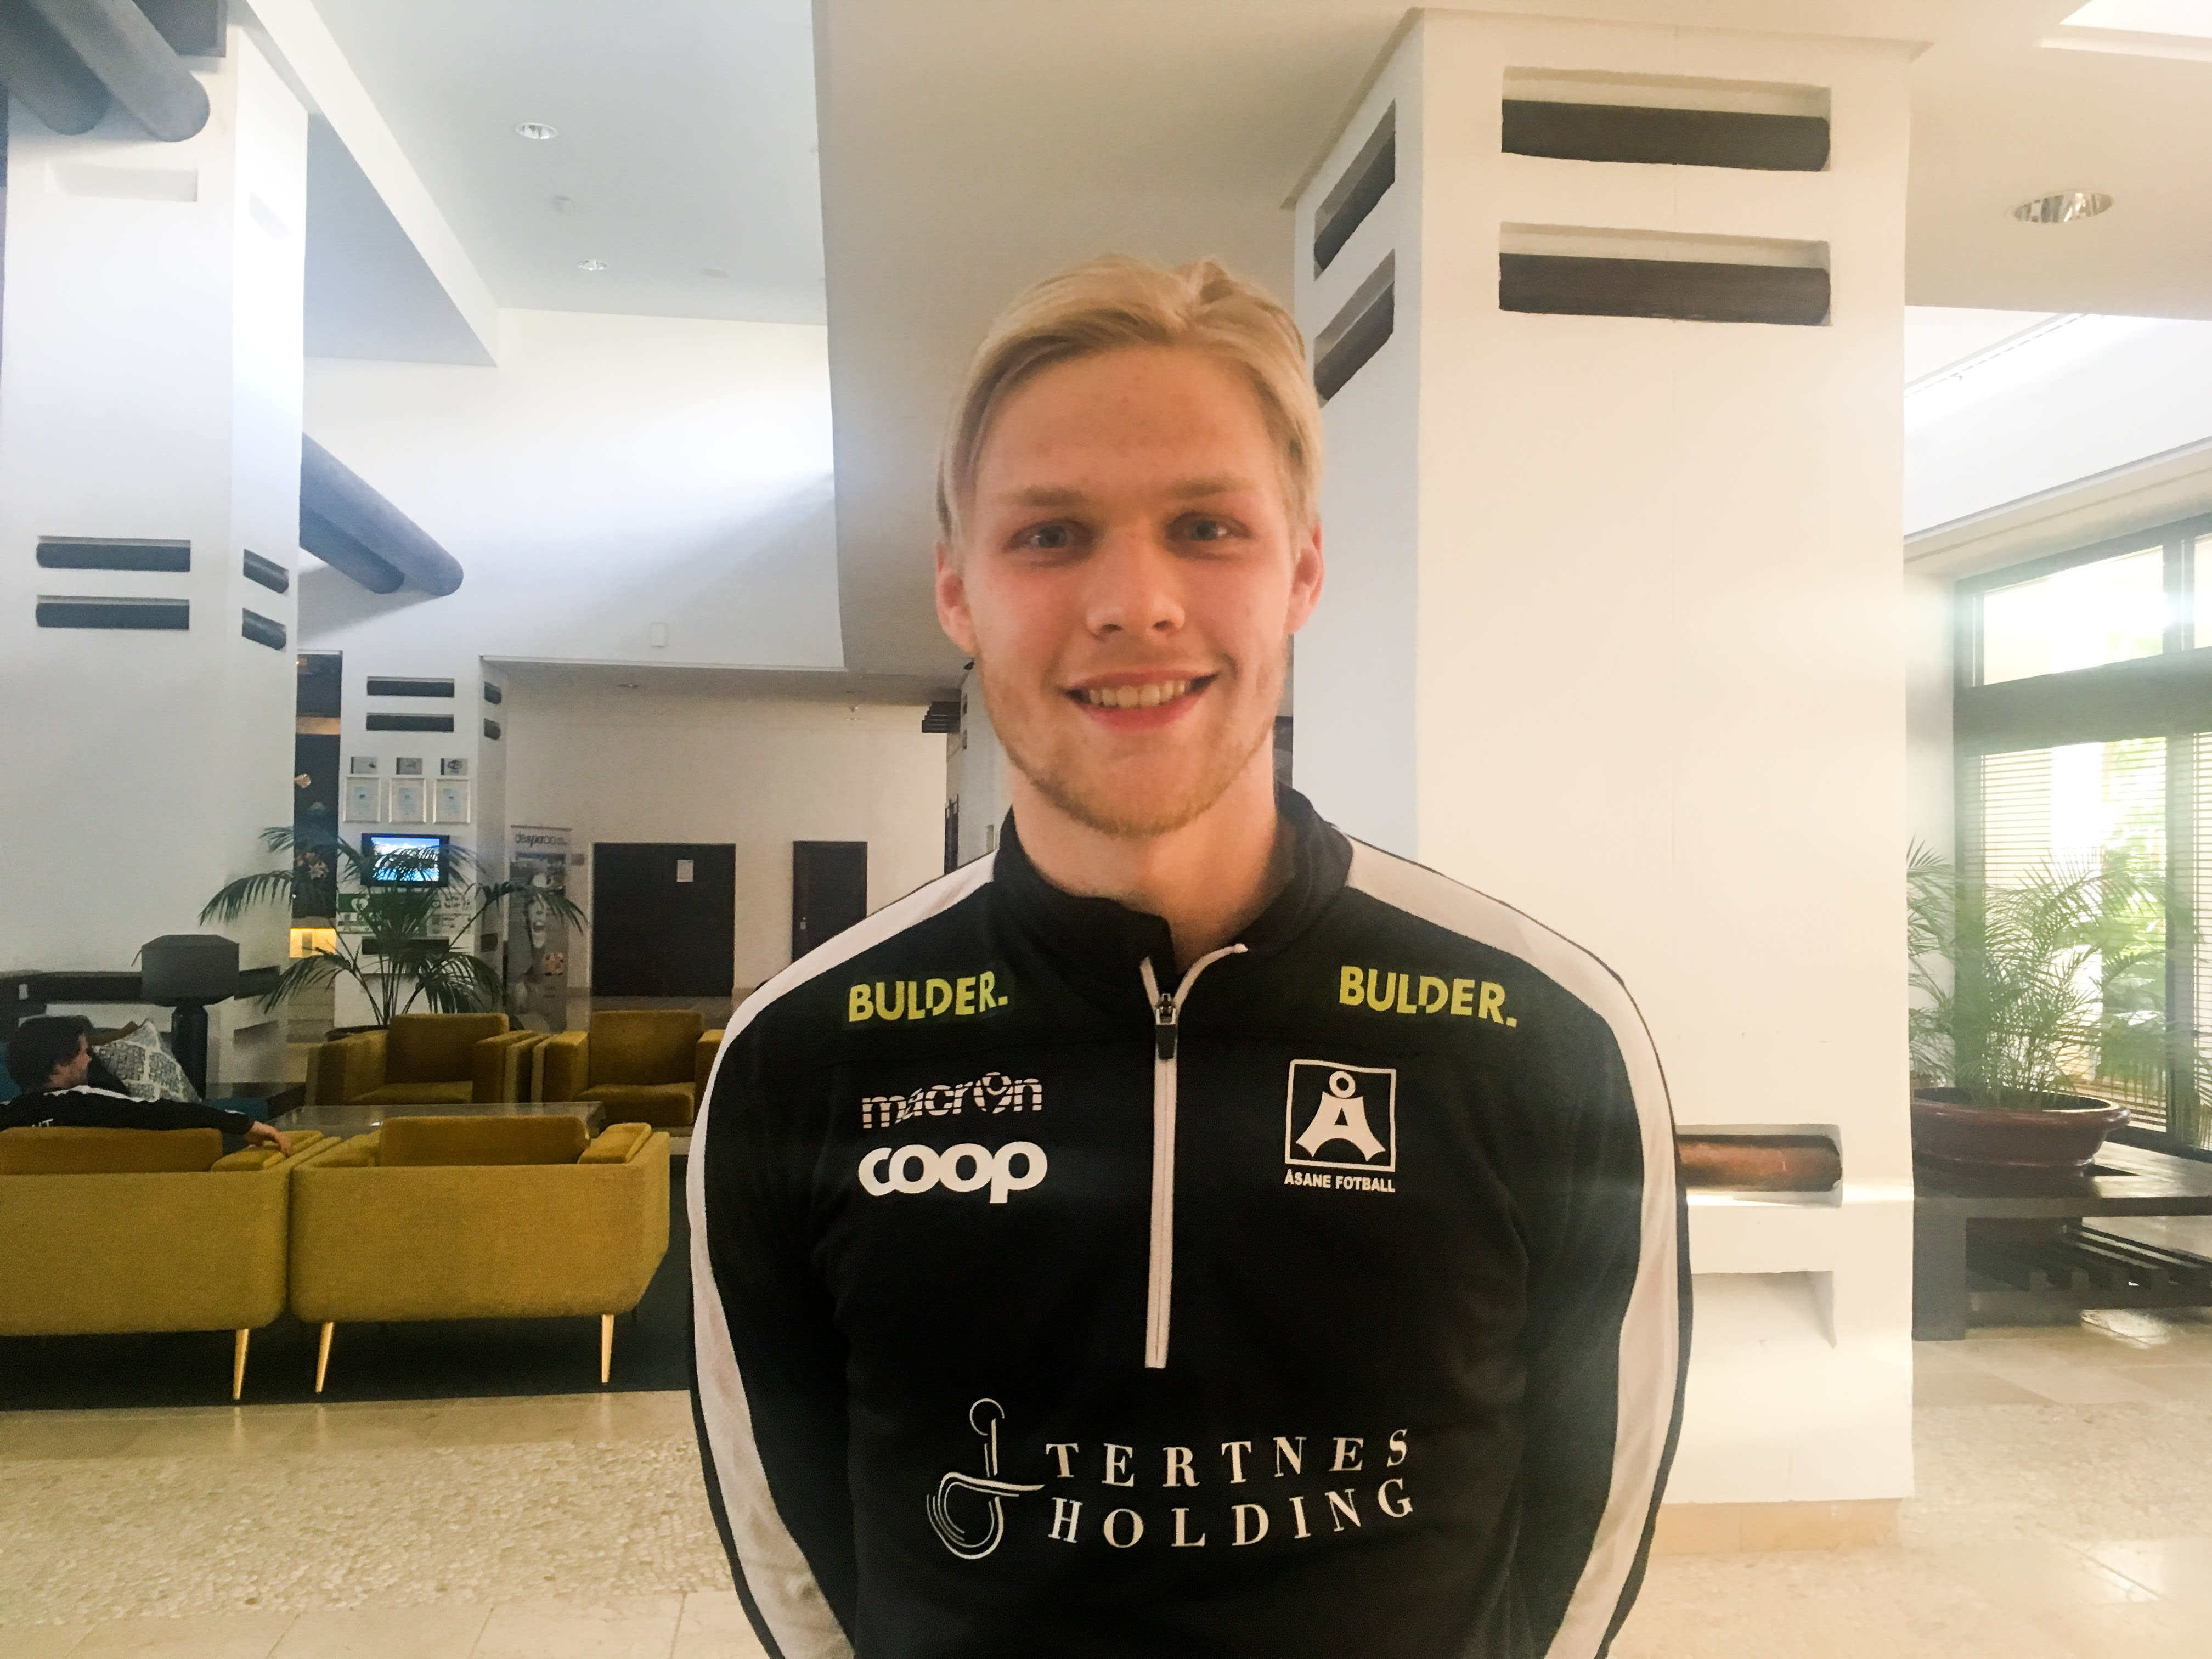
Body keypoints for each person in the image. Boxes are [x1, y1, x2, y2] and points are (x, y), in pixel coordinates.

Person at [690, 256, 1686, 1659]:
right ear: (958, 591)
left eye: (1207, 527)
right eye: (1050, 535)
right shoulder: (803, 1056)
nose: (1135, 602)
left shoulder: (1545, 1035)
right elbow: (795, 1547)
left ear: (1303, 571)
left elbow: (1586, 1530)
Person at [2, 1015, 292, 1152]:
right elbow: (161, 1111)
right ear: (60, 1063)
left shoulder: (7, 1116)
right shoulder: (87, 1103)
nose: (89, 1059)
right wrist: (244, 1124)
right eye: (83, 1053)